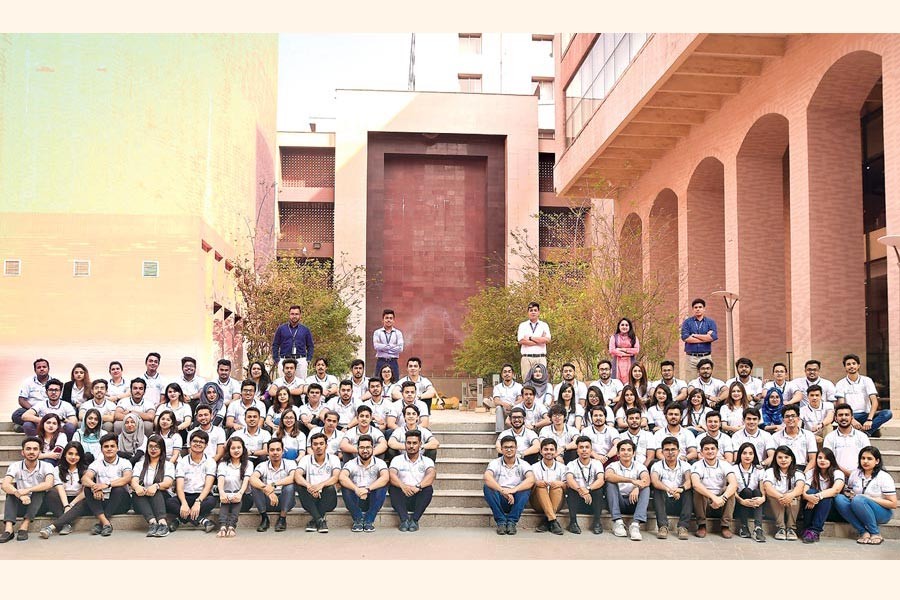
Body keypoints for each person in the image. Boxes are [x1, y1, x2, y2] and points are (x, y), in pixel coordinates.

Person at [835, 446, 897, 545]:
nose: (865, 461)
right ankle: (863, 532)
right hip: (859, 507)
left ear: (877, 461)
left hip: (882, 512)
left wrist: (869, 498)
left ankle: (875, 533)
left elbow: (893, 504)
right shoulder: (855, 474)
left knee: (859, 499)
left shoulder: (884, 477)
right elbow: (848, 491)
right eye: (863, 458)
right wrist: (849, 495)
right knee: (839, 498)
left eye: (869, 459)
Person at [0, 437, 56, 542]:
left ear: (39, 452)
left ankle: (24, 526)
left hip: (39, 507)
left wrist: (27, 490)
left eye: (35, 449)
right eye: (28, 449)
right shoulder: (15, 466)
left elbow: (49, 484)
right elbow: (5, 484)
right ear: (22, 452)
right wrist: (19, 494)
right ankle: (8, 530)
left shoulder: (47, 466)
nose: (31, 452)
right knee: (11, 491)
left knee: (40, 490)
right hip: (21, 504)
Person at [165, 430, 217, 533]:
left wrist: (198, 502)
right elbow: (179, 487)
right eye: (195, 441)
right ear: (190, 443)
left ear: (206, 445)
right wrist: (184, 503)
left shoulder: (210, 462)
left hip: (202, 496)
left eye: (201, 442)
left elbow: (208, 486)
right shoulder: (182, 462)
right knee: (169, 502)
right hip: (185, 495)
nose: (198, 444)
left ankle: (179, 520)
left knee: (212, 501)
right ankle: (203, 521)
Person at [82, 433, 133, 537]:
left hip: (121, 502)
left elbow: (126, 478)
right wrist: (94, 487)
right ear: (101, 449)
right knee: (87, 489)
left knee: (118, 489)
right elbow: (85, 478)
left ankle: (101, 523)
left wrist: (106, 485)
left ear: (117, 448)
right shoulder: (97, 463)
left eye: (112, 446)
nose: (109, 449)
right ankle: (106, 523)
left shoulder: (125, 462)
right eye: (106, 446)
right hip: (102, 500)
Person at [483, 435, 535, 535]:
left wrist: (514, 490)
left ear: (516, 448)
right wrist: (503, 491)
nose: (509, 450)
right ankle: (501, 522)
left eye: (512, 447)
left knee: (525, 489)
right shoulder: (495, 463)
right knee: (487, 487)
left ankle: (511, 522)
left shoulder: (523, 464)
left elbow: (531, 479)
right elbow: (487, 477)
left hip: (516, 500)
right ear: (501, 449)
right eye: (506, 447)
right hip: (500, 498)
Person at [38, 441, 90, 538]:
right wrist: (66, 505)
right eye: (70, 453)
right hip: (62, 499)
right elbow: (60, 488)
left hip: (78, 500)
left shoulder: (86, 470)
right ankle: (66, 524)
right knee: (50, 493)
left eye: (77, 454)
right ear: (65, 454)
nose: (73, 457)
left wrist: (71, 504)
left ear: (81, 456)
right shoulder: (57, 469)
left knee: (87, 497)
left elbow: (84, 492)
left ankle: (51, 528)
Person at [340, 434, 390, 532]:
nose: (365, 450)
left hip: (372, 499)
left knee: (382, 486)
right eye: (362, 447)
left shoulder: (380, 463)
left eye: (368, 447)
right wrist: (356, 489)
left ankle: (369, 520)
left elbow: (385, 477)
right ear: (357, 448)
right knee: (345, 486)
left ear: (373, 448)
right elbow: (342, 477)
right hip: (356, 499)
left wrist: (367, 489)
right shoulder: (350, 463)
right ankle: (358, 520)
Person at [834, 353, 892, 438]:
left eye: (854, 363)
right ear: (845, 367)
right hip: (851, 416)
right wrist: (852, 419)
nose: (851, 366)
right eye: (848, 364)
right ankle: (868, 431)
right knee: (842, 417)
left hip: (866, 415)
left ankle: (865, 432)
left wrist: (869, 419)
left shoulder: (867, 380)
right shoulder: (840, 383)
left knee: (887, 413)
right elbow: (842, 405)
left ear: (858, 365)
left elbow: (874, 401)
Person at [388, 430, 436, 532]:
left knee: (428, 489)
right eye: (408, 443)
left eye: (414, 443)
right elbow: (391, 475)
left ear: (420, 444)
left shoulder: (427, 461)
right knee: (393, 487)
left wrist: (418, 487)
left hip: (417, 496)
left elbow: (431, 475)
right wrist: (403, 486)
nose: (411, 446)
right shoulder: (397, 459)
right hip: (401, 496)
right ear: (405, 444)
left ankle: (414, 520)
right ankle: (404, 520)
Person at [690, 436, 737, 538]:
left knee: (729, 490)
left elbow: (734, 484)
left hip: (721, 502)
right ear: (701, 452)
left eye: (712, 448)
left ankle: (725, 525)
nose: (710, 451)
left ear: (717, 450)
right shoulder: (697, 465)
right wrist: (713, 498)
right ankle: (701, 525)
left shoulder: (725, 465)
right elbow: (695, 484)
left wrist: (722, 498)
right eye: (706, 449)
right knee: (699, 490)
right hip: (705, 503)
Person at [604, 439, 651, 541]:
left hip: (634, 502)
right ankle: (618, 522)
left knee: (645, 487)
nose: (626, 452)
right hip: (618, 502)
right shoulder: (613, 465)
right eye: (623, 450)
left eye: (629, 450)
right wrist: (632, 481)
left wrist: (637, 488)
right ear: (618, 453)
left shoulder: (639, 466)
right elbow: (608, 476)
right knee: (610, 483)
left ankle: (635, 525)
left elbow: (646, 479)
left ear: (633, 453)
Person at [130, 435, 175, 537]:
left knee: (156, 490)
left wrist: (156, 486)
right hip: (142, 499)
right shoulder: (139, 464)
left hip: (162, 498)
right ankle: (153, 523)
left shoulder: (168, 465)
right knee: (136, 493)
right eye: (150, 446)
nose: (153, 449)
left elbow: (168, 483)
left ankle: (163, 524)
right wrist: (137, 487)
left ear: (162, 449)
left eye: (157, 447)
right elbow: (134, 481)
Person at [295, 432, 341, 533]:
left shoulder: (334, 459)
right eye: (315, 444)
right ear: (311, 446)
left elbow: (336, 477)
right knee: (299, 485)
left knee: (329, 487)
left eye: (321, 443)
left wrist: (320, 486)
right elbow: (297, 475)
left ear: (326, 445)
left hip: (328, 499)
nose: (318, 446)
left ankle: (314, 520)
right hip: (310, 498)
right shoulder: (306, 459)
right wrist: (309, 487)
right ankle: (320, 520)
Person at [250, 438, 297, 532]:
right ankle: (264, 518)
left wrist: (273, 485)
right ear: (268, 452)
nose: (275, 453)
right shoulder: (263, 465)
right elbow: (252, 478)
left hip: (285, 501)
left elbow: (293, 478)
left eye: (278, 450)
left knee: (290, 486)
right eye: (272, 450)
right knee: (255, 486)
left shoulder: (290, 463)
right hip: (267, 501)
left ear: (283, 451)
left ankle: (282, 519)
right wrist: (267, 490)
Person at [650, 436, 693, 540]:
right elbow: (655, 481)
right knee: (658, 490)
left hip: (680, 501)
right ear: (662, 452)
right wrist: (669, 489)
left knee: (688, 491)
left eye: (673, 449)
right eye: (667, 450)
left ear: (678, 451)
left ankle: (683, 527)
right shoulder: (657, 465)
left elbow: (689, 481)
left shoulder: (685, 465)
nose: (670, 452)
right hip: (664, 502)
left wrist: (681, 489)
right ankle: (663, 526)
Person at [800, 448, 845, 544]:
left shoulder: (838, 473)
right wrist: (808, 497)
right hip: (813, 508)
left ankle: (814, 531)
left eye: (826, 458)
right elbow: (804, 490)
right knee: (810, 492)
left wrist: (816, 497)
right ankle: (807, 528)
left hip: (831, 509)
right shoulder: (812, 472)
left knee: (826, 497)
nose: (822, 460)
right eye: (820, 458)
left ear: (831, 460)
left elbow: (835, 490)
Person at [762, 446, 807, 540]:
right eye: (780, 457)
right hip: (774, 507)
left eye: (786, 457)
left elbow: (800, 488)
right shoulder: (770, 471)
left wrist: (790, 495)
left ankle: (791, 528)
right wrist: (781, 497)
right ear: (775, 459)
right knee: (773, 494)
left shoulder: (798, 472)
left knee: (795, 495)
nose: (783, 460)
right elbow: (768, 487)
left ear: (791, 459)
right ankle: (780, 528)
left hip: (792, 506)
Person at [564, 436, 606, 534]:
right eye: (581, 447)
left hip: (593, 501)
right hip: (577, 500)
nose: (584, 450)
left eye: (587, 447)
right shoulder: (572, 464)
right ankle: (573, 522)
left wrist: (588, 489)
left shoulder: (597, 463)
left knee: (598, 490)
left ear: (591, 450)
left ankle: (597, 522)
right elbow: (569, 479)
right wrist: (580, 490)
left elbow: (601, 480)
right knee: (571, 489)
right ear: (577, 450)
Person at [530, 438, 568, 535]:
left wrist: (561, 484)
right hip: (538, 503)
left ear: (555, 452)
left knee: (557, 487)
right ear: (541, 451)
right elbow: (528, 485)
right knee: (540, 486)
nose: (549, 452)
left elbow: (568, 487)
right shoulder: (533, 467)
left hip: (557, 502)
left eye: (551, 449)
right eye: (546, 449)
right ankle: (553, 521)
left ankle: (548, 520)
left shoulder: (562, 468)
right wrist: (535, 483)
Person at [216, 436, 252, 538]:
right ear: (228, 450)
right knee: (226, 493)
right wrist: (222, 493)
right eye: (233, 448)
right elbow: (220, 480)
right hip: (226, 497)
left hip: (244, 498)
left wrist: (240, 493)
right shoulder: (223, 464)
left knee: (236, 492)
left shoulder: (249, 464)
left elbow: (246, 481)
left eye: (239, 447)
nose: (236, 450)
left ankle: (231, 526)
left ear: (243, 449)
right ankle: (223, 526)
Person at [824, 403, 871, 478]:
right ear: (835, 418)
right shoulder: (830, 437)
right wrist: (849, 474)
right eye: (840, 415)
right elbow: (829, 460)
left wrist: (856, 475)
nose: (843, 417)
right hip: (837, 476)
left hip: (860, 476)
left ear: (852, 417)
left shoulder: (862, 436)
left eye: (846, 415)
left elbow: (868, 457)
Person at [733, 442, 767, 542]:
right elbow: (732, 490)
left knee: (756, 491)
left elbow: (762, 489)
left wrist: (763, 498)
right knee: (746, 491)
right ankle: (743, 526)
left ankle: (758, 528)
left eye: (750, 453)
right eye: (744, 453)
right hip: (739, 504)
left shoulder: (759, 469)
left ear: (754, 455)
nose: (747, 456)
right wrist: (741, 501)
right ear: (740, 455)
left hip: (756, 505)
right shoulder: (733, 469)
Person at [272, 304, 314, 379]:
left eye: (296, 314)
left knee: (301, 384)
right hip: (284, 360)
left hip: (300, 360)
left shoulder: (305, 330)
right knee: (283, 385)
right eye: (292, 314)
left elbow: (310, 346)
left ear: (300, 315)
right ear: (289, 315)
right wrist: (276, 360)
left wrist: (308, 360)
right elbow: (275, 345)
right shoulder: (281, 329)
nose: (294, 316)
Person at [12, 358, 53, 431]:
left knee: (55, 416)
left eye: (44, 367)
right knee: (16, 415)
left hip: (49, 410)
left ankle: (25, 427)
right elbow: (21, 399)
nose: (42, 369)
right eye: (39, 367)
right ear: (35, 370)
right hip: (32, 410)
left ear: (48, 369)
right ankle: (42, 426)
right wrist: (33, 410)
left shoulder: (55, 382)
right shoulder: (28, 382)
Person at [773, 405, 818, 470]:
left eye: (793, 416)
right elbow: (774, 459)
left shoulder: (809, 435)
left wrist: (803, 474)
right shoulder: (775, 437)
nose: (790, 418)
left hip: (803, 468)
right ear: (783, 420)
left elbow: (812, 460)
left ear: (798, 418)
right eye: (787, 416)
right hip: (783, 469)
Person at [681, 298, 717, 372]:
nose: (698, 309)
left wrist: (695, 335)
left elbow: (713, 337)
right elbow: (685, 338)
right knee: (691, 382)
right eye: (695, 307)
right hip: (691, 358)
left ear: (704, 309)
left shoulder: (710, 322)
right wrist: (705, 338)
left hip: (706, 357)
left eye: (700, 307)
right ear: (693, 309)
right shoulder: (687, 322)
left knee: (706, 380)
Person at [485, 364, 523, 433]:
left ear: (513, 374)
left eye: (509, 372)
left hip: (514, 409)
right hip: (503, 411)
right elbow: (496, 401)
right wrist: (505, 405)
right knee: (498, 408)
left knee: (519, 407)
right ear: (502, 375)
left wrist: (512, 405)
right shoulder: (497, 387)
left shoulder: (518, 386)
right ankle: (500, 433)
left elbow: (520, 399)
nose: (507, 374)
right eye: (505, 372)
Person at [517, 301, 551, 377]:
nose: (533, 312)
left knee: (540, 383)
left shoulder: (544, 325)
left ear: (538, 312)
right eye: (531, 310)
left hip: (540, 357)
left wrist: (530, 338)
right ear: (528, 312)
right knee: (527, 383)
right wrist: (539, 340)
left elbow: (547, 340)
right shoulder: (523, 325)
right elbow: (521, 340)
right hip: (526, 358)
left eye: (535, 310)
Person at [373, 308, 404, 380]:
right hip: (381, 361)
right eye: (386, 318)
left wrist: (384, 348)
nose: (388, 320)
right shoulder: (377, 332)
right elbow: (376, 346)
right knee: (378, 382)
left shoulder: (398, 333)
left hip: (393, 361)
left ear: (393, 320)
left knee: (395, 382)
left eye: (391, 318)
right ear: (383, 320)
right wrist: (392, 347)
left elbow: (400, 348)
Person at [609, 317, 640, 383]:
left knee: (631, 381)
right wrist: (630, 352)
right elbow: (612, 350)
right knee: (616, 382)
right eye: (622, 325)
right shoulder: (614, 337)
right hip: (617, 363)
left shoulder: (634, 337)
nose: (624, 327)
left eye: (626, 325)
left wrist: (623, 349)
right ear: (619, 326)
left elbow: (636, 350)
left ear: (629, 327)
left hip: (630, 362)